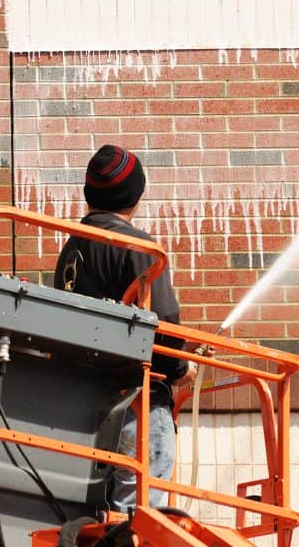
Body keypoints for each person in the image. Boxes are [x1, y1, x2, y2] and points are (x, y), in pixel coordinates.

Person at [54, 144, 197, 511]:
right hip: (136, 402)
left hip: (81, 405)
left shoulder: (71, 249)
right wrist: (180, 368)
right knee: (140, 516)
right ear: (135, 195)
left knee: (101, 518)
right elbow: (162, 323)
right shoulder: (135, 245)